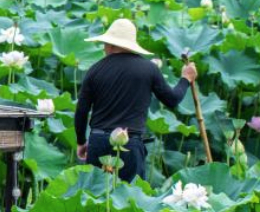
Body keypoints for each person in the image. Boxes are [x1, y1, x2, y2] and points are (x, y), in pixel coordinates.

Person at [74, 18, 198, 182]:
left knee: (95, 198)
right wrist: (185, 79)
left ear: (111, 45)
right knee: (130, 200)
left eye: (105, 44)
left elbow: (81, 112)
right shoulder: (149, 69)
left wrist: (82, 142)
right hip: (129, 145)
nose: (104, 48)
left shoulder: (94, 70)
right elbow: (172, 100)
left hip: (98, 143)